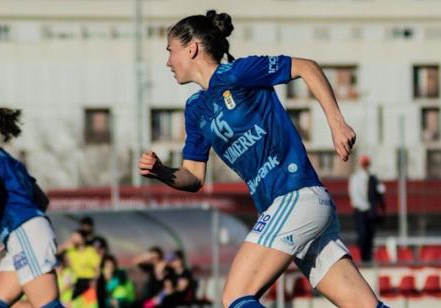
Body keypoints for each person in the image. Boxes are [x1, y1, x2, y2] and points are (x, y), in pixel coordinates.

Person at [138, 10, 389, 308]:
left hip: (295, 196)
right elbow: (193, 176)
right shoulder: (195, 109)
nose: (167, 62)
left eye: (170, 51)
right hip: (297, 207)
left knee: (235, 296)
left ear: (191, 48)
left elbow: (307, 68)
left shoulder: (238, 73)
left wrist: (337, 124)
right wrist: (162, 172)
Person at [0, 108, 64, 308]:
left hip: (25, 233)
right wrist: (14, 233)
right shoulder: (5, 157)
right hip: (23, 235)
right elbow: (41, 200)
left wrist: (21, 231)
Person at [348, 155, 386, 263]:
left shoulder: (373, 177)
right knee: (362, 234)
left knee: (370, 235)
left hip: (370, 211)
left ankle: (367, 257)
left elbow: (379, 192)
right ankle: (362, 257)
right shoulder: (356, 177)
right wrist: (363, 206)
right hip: (360, 210)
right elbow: (355, 194)